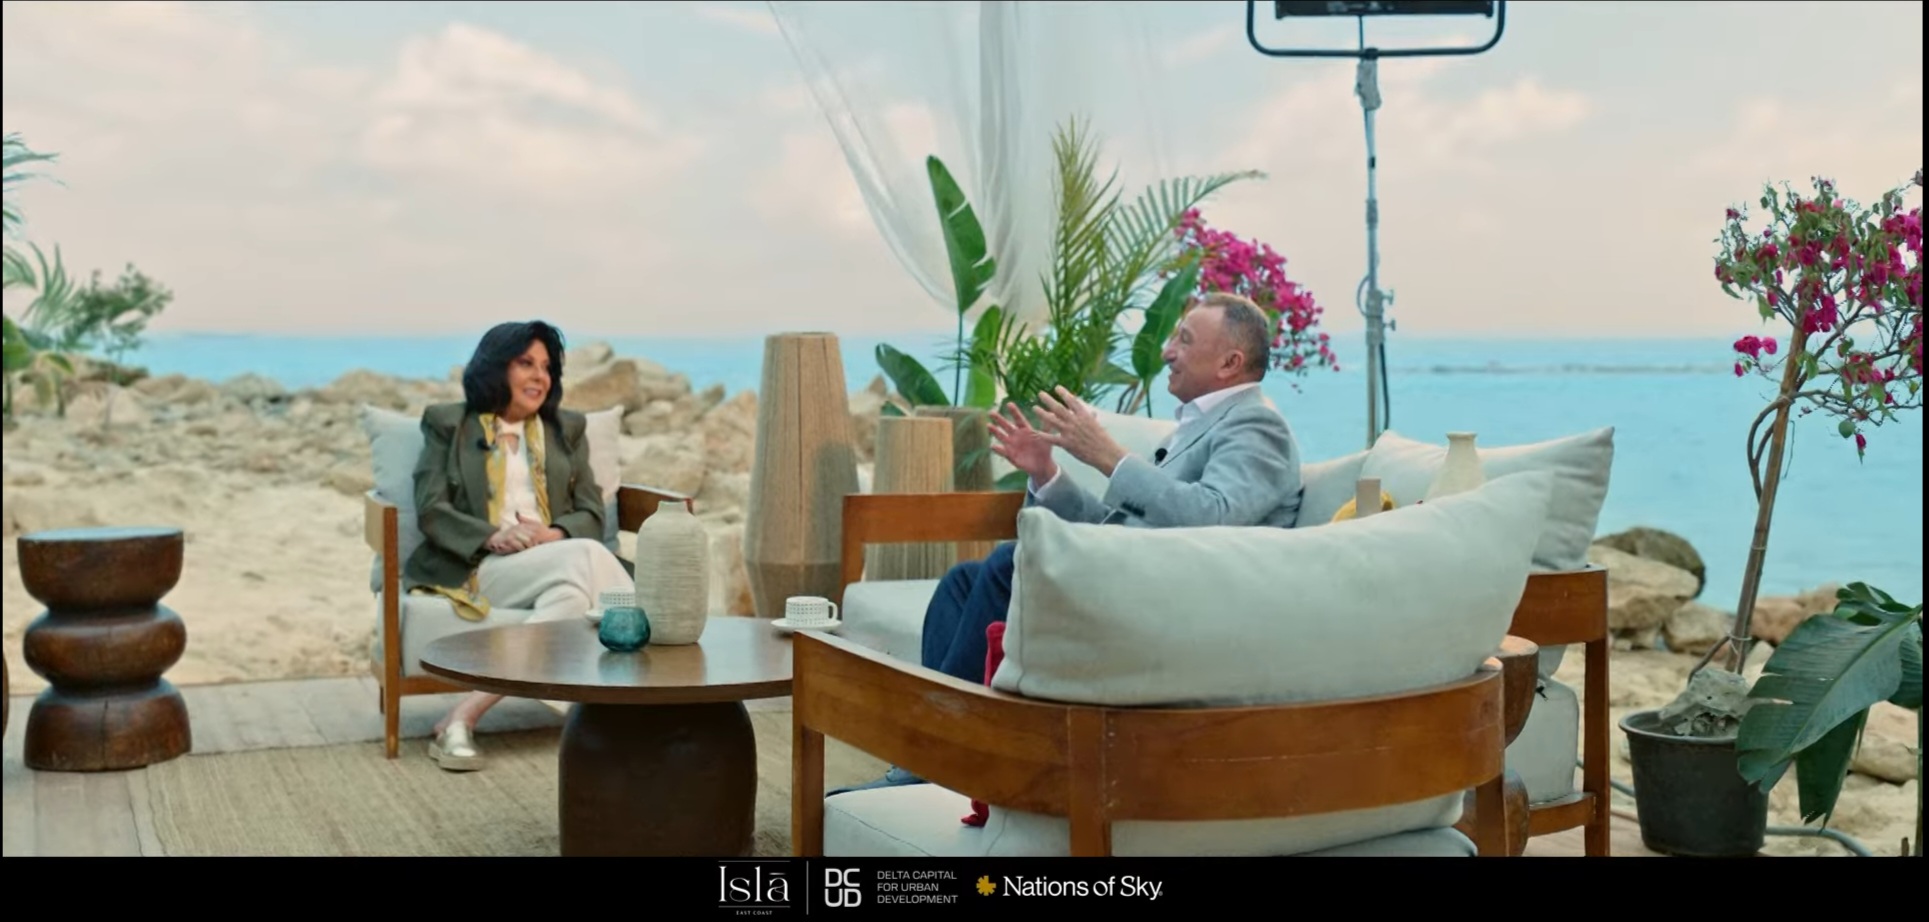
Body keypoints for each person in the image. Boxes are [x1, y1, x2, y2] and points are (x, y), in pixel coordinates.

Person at [834, 292, 1304, 794]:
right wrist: (1048, 475)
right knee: (961, 582)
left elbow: (1215, 516)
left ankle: (928, 757)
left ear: (1230, 363)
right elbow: (1119, 527)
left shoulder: (1258, 425)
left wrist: (1109, 457)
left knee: (1011, 564)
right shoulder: (1200, 426)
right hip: (1145, 576)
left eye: (1185, 340)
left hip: (1182, 603)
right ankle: (948, 761)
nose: (1169, 351)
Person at [407, 320, 632, 772]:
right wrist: (492, 535)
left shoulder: (566, 429)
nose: (539, 377)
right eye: (526, 363)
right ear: (496, 368)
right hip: (481, 565)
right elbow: (431, 509)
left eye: (547, 367)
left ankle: (462, 716)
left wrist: (551, 534)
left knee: (572, 594)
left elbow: (592, 513)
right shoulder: (448, 424)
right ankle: (640, 698)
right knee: (589, 557)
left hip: (554, 560)